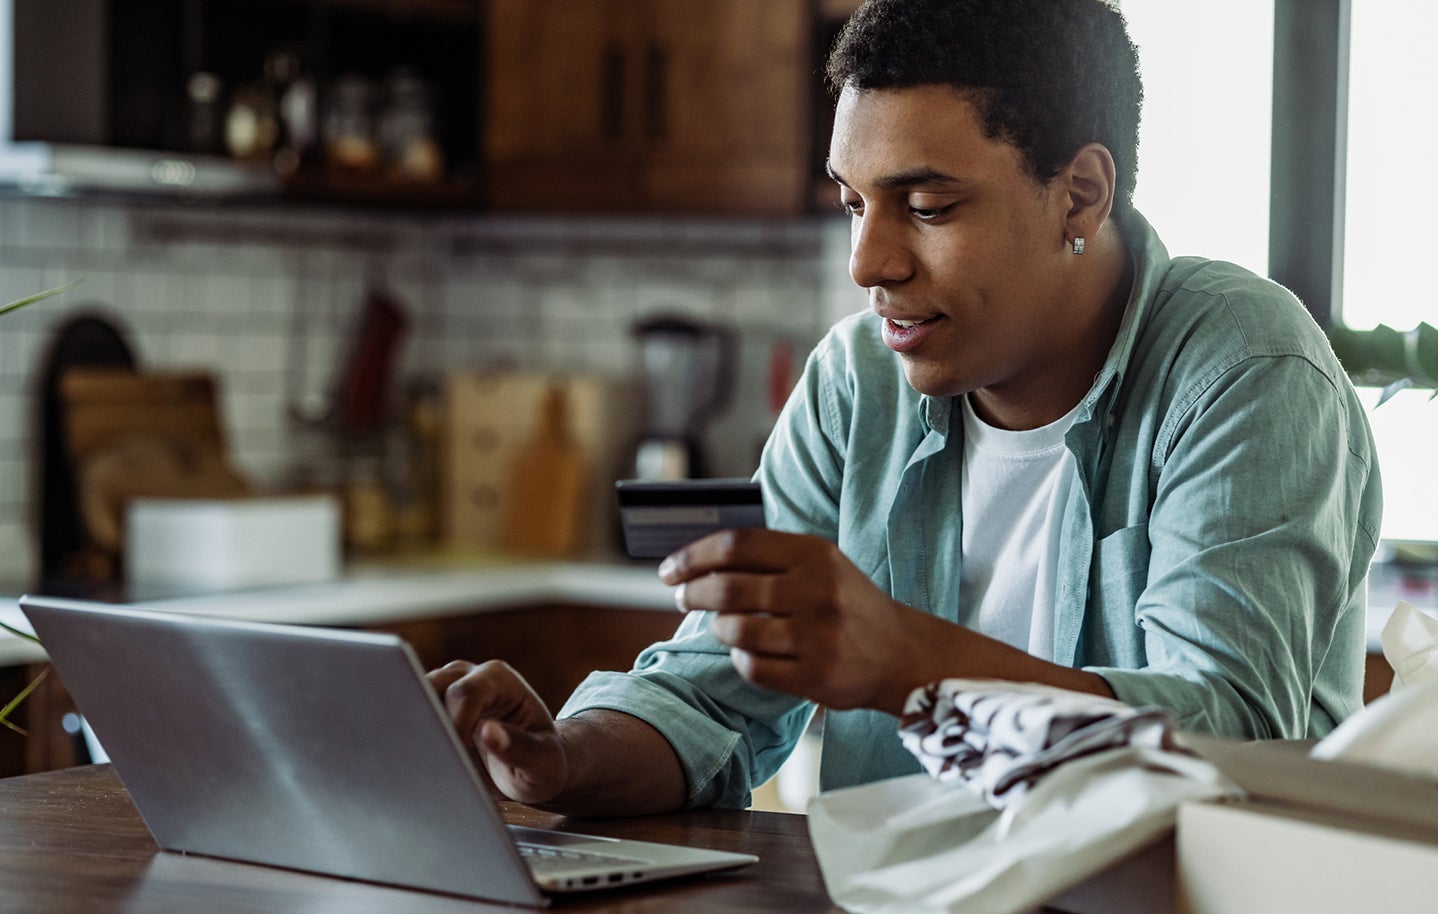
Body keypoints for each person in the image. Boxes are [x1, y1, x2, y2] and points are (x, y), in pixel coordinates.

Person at [430, 0, 1382, 817]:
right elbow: (714, 696)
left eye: (925, 205)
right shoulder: (857, 381)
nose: (867, 263)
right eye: (852, 203)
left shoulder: (1244, 368)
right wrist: (564, 755)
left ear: (1080, 196)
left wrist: (908, 661)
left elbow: (1234, 748)